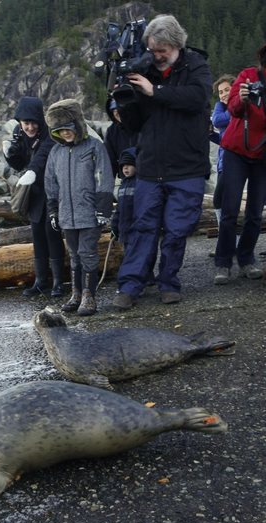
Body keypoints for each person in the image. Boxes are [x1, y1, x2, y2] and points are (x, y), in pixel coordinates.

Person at [111, 14, 212, 310]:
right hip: (151, 166)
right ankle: (130, 287)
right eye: (153, 50)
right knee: (142, 229)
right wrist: (123, 104)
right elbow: (133, 125)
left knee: (177, 229)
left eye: (162, 50)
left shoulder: (196, 65)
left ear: (176, 45)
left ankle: (169, 282)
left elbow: (196, 98)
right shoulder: (144, 71)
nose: (156, 56)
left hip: (187, 166)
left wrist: (155, 91)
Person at [44, 98, 114, 316]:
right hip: (66, 214)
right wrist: (53, 210)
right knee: (74, 255)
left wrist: (103, 208)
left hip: (90, 212)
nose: (65, 133)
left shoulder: (94, 147)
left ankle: (89, 296)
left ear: (78, 125)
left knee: (87, 253)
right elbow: (50, 182)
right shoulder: (56, 152)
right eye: (60, 130)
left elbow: (104, 177)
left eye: (68, 128)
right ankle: (75, 293)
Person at [213, 45, 266, 284]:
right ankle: (223, 262)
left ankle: (246, 258)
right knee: (230, 210)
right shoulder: (247, 76)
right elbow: (232, 109)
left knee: (255, 212)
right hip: (235, 151)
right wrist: (243, 99)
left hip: (262, 155)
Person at [3, 96, 65, 297]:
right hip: (35, 190)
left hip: (54, 188)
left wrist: (32, 171)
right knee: (37, 232)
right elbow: (20, 163)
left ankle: (58, 282)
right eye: (26, 123)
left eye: (33, 123)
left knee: (51, 231)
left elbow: (43, 155)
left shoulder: (49, 133)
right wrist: (11, 155)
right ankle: (41, 281)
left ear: (40, 120)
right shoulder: (18, 132)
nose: (29, 127)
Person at [112, 147, 156, 285]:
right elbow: (119, 208)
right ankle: (137, 278)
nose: (125, 169)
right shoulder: (123, 185)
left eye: (129, 165)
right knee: (130, 255)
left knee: (144, 254)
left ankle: (147, 275)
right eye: (123, 166)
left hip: (139, 227)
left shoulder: (142, 183)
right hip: (125, 229)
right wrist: (115, 226)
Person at [210, 74, 235, 226]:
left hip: (236, 162)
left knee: (219, 200)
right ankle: (228, 241)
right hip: (223, 162)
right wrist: (212, 135)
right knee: (221, 201)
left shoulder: (240, 107)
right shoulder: (225, 109)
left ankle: (228, 241)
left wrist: (220, 108)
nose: (224, 94)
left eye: (227, 90)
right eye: (220, 92)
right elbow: (225, 140)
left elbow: (217, 120)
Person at [104, 99, 138, 187]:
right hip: (126, 181)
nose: (116, 113)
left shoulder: (144, 126)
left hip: (147, 180)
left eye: (119, 109)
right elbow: (110, 163)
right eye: (113, 110)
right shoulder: (112, 131)